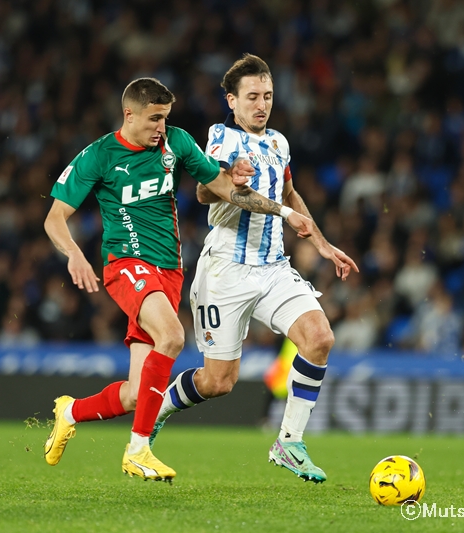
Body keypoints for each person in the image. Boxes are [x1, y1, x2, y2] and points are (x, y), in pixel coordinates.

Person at [42, 77, 318, 482]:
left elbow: (224, 189)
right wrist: (75, 255)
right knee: (172, 336)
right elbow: (54, 219)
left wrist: (281, 210)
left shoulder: (177, 143)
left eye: (166, 118)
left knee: (138, 393)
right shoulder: (99, 155)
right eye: (154, 118)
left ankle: (70, 411)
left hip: (169, 271)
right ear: (129, 114)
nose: (161, 127)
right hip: (126, 264)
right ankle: (138, 450)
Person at [149, 55, 359, 483]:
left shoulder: (280, 142)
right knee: (217, 381)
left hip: (272, 267)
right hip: (225, 271)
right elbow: (207, 193)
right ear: (232, 99)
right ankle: (157, 409)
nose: (261, 105)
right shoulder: (221, 138)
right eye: (252, 97)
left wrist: (321, 242)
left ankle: (289, 442)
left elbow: (289, 191)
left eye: (267, 96)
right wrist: (231, 178)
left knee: (319, 337)